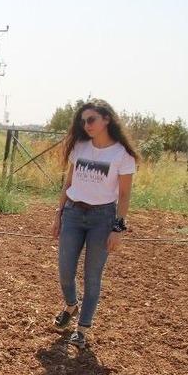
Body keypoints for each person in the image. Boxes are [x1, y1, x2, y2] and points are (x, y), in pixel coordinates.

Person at [51, 99, 137, 349]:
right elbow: (68, 183)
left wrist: (117, 228)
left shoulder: (122, 154)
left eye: (91, 120)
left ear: (106, 119)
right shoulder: (80, 146)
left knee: (92, 276)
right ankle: (70, 305)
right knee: (65, 270)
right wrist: (58, 214)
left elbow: (124, 195)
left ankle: (82, 328)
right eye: (83, 121)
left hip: (102, 218)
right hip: (73, 213)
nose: (86, 125)